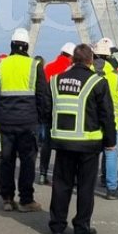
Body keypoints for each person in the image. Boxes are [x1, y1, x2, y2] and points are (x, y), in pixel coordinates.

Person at [47, 44, 115, 234]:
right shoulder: (98, 81)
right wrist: (110, 141)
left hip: (63, 142)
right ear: (90, 61)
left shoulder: (56, 80)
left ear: (72, 60)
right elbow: (107, 115)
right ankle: (81, 228)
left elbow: (47, 108)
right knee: (85, 187)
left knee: (61, 185)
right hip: (88, 144)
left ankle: (57, 227)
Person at [0, 28, 52, 213]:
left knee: (6, 160)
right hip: (28, 122)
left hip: (6, 123)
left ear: (11, 45)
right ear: (26, 46)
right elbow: (42, 95)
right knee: (27, 161)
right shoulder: (34, 65)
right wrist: (42, 119)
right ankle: (26, 200)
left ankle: (7, 199)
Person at [93, 38, 118, 200]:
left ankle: (83, 182)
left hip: (90, 123)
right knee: (110, 155)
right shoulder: (117, 76)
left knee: (90, 155)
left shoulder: (88, 71)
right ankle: (111, 188)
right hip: (111, 122)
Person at [37, 42, 75, 186]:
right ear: (71, 56)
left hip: (47, 111)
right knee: (62, 146)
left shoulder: (49, 67)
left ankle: (42, 174)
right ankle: (60, 177)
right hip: (64, 112)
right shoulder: (70, 69)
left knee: (46, 145)